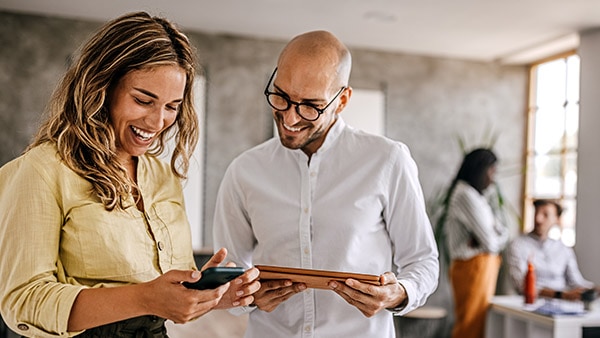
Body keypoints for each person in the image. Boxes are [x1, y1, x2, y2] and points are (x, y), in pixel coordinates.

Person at [0, 12, 260, 338]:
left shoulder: (162, 176)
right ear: (102, 87)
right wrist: (144, 297)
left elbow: (168, 296)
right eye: (143, 100)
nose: (157, 121)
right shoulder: (41, 170)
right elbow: (23, 303)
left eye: (172, 106)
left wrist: (210, 295)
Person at [212, 30, 439, 338]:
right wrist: (246, 296)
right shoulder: (244, 171)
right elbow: (229, 274)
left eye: (310, 106)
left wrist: (398, 293)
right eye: (280, 96)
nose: (290, 118)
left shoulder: (387, 160)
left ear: (342, 100)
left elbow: (422, 261)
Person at [443, 148, 509, 338]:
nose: (493, 178)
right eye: (491, 171)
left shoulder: (476, 196)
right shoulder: (465, 194)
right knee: (469, 326)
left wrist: (485, 238)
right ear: (480, 169)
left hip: (480, 267)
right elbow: (492, 243)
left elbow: (502, 231)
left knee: (477, 325)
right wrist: (492, 237)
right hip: (472, 268)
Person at [507, 199, 595, 301]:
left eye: (545, 215)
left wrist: (594, 289)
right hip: (532, 303)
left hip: (563, 303)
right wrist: (561, 295)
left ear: (557, 219)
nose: (538, 219)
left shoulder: (563, 249)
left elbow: (577, 282)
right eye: (536, 213)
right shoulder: (518, 245)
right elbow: (522, 285)